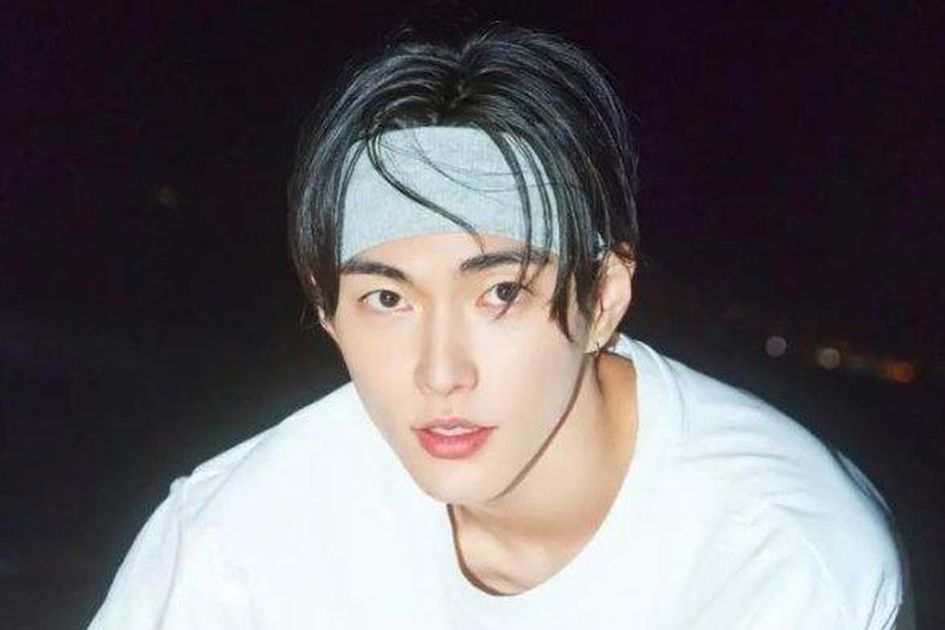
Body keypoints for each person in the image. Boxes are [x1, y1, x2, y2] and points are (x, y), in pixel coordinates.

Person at [88, 24, 908, 629]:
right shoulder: (236, 535)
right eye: (388, 300)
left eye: (502, 292)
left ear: (602, 299)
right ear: (325, 309)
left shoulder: (778, 560)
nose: (441, 372)